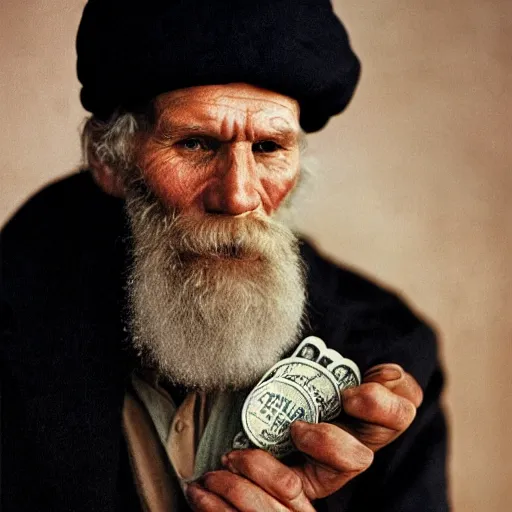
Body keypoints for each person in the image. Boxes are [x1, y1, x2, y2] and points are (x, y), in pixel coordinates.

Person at [0, 0, 449, 510]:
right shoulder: (14, 324)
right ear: (111, 164)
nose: (238, 196)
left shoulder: (385, 352)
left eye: (267, 148)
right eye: (195, 144)